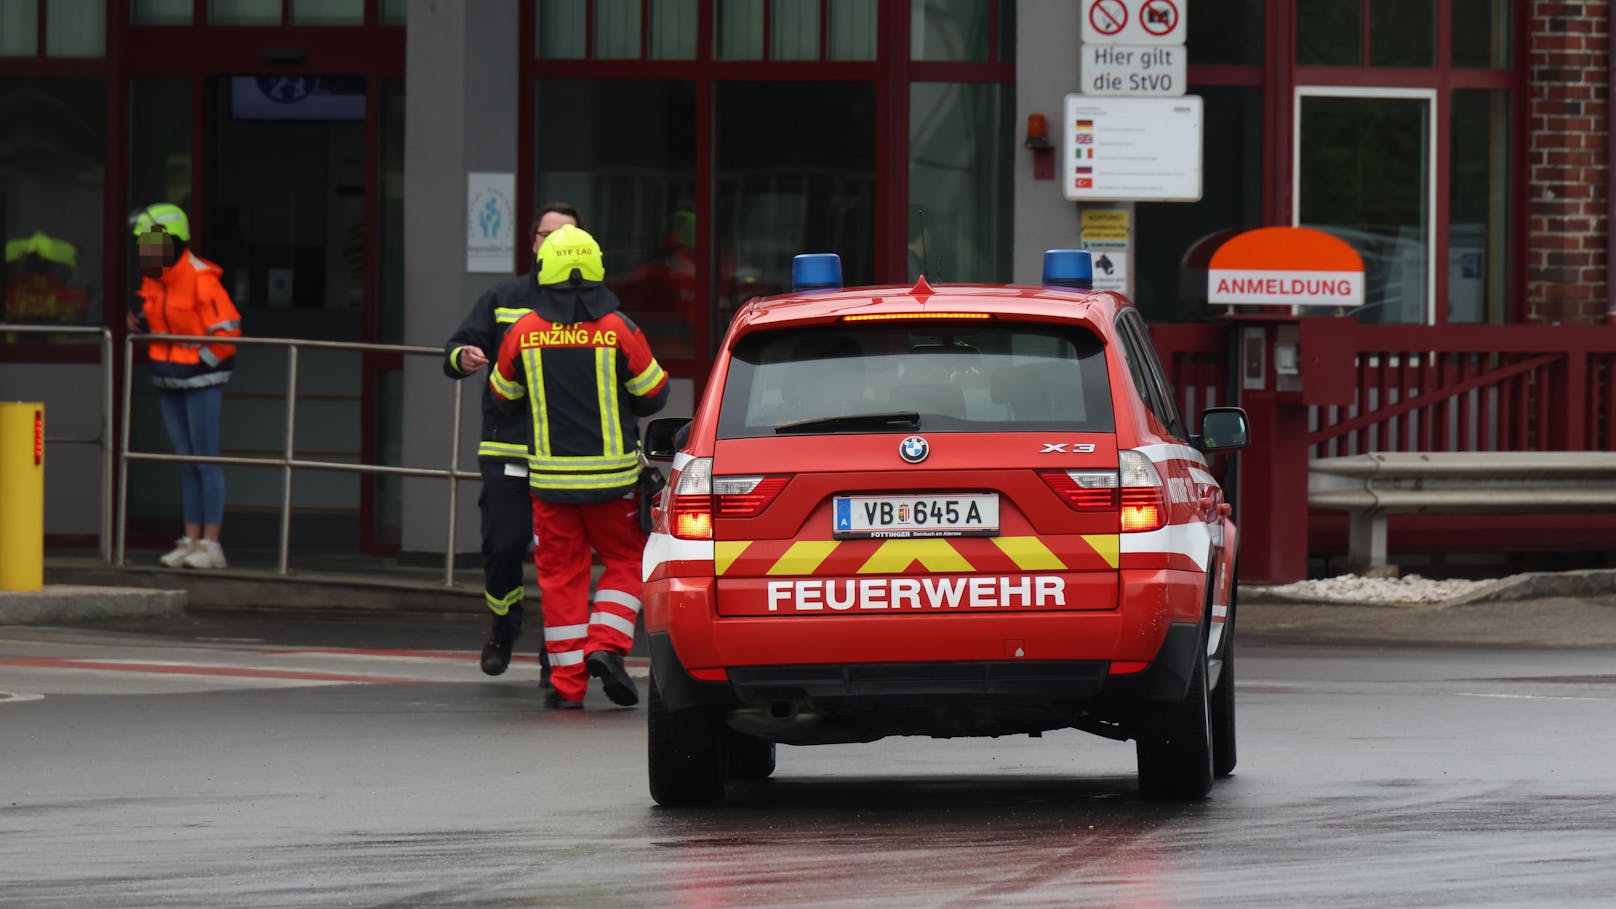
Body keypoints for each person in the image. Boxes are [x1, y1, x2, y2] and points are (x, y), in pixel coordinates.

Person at [489, 223, 669, 710]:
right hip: (613, 483)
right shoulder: (619, 329)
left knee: (561, 579)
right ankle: (605, 647)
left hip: (551, 485)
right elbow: (654, 393)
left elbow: (502, 395)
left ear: (544, 270)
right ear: (597, 270)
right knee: (628, 561)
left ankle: (568, 688)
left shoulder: (524, 331)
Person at [443, 202, 581, 683]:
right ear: (533, 242)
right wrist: (463, 356)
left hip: (566, 457)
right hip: (507, 448)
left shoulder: (594, 305)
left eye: (565, 236)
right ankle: (504, 626)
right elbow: (457, 345)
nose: (554, 244)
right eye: (547, 235)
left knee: (558, 558)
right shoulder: (505, 296)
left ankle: (555, 652)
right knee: (504, 547)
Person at [127, 203, 242, 570]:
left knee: (204, 460)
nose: (147, 251)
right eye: (144, 244)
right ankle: (190, 540)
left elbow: (228, 333)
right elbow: (161, 319)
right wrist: (142, 324)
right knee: (185, 460)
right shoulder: (155, 279)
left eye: (153, 243)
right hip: (168, 377)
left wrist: (199, 362)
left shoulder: (200, 277)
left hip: (200, 380)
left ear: (173, 243)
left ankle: (211, 544)